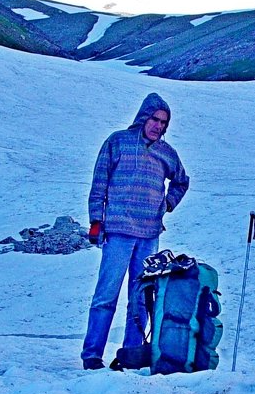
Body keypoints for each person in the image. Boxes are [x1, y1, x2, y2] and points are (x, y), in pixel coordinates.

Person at [81, 93, 189, 370]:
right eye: (155, 119)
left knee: (140, 298)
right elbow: (100, 182)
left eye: (163, 122)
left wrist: (166, 204)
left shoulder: (167, 154)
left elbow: (181, 182)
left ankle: (131, 354)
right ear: (144, 117)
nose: (158, 126)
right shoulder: (117, 142)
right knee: (106, 295)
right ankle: (92, 355)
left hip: (149, 233)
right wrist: (96, 220)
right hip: (118, 230)